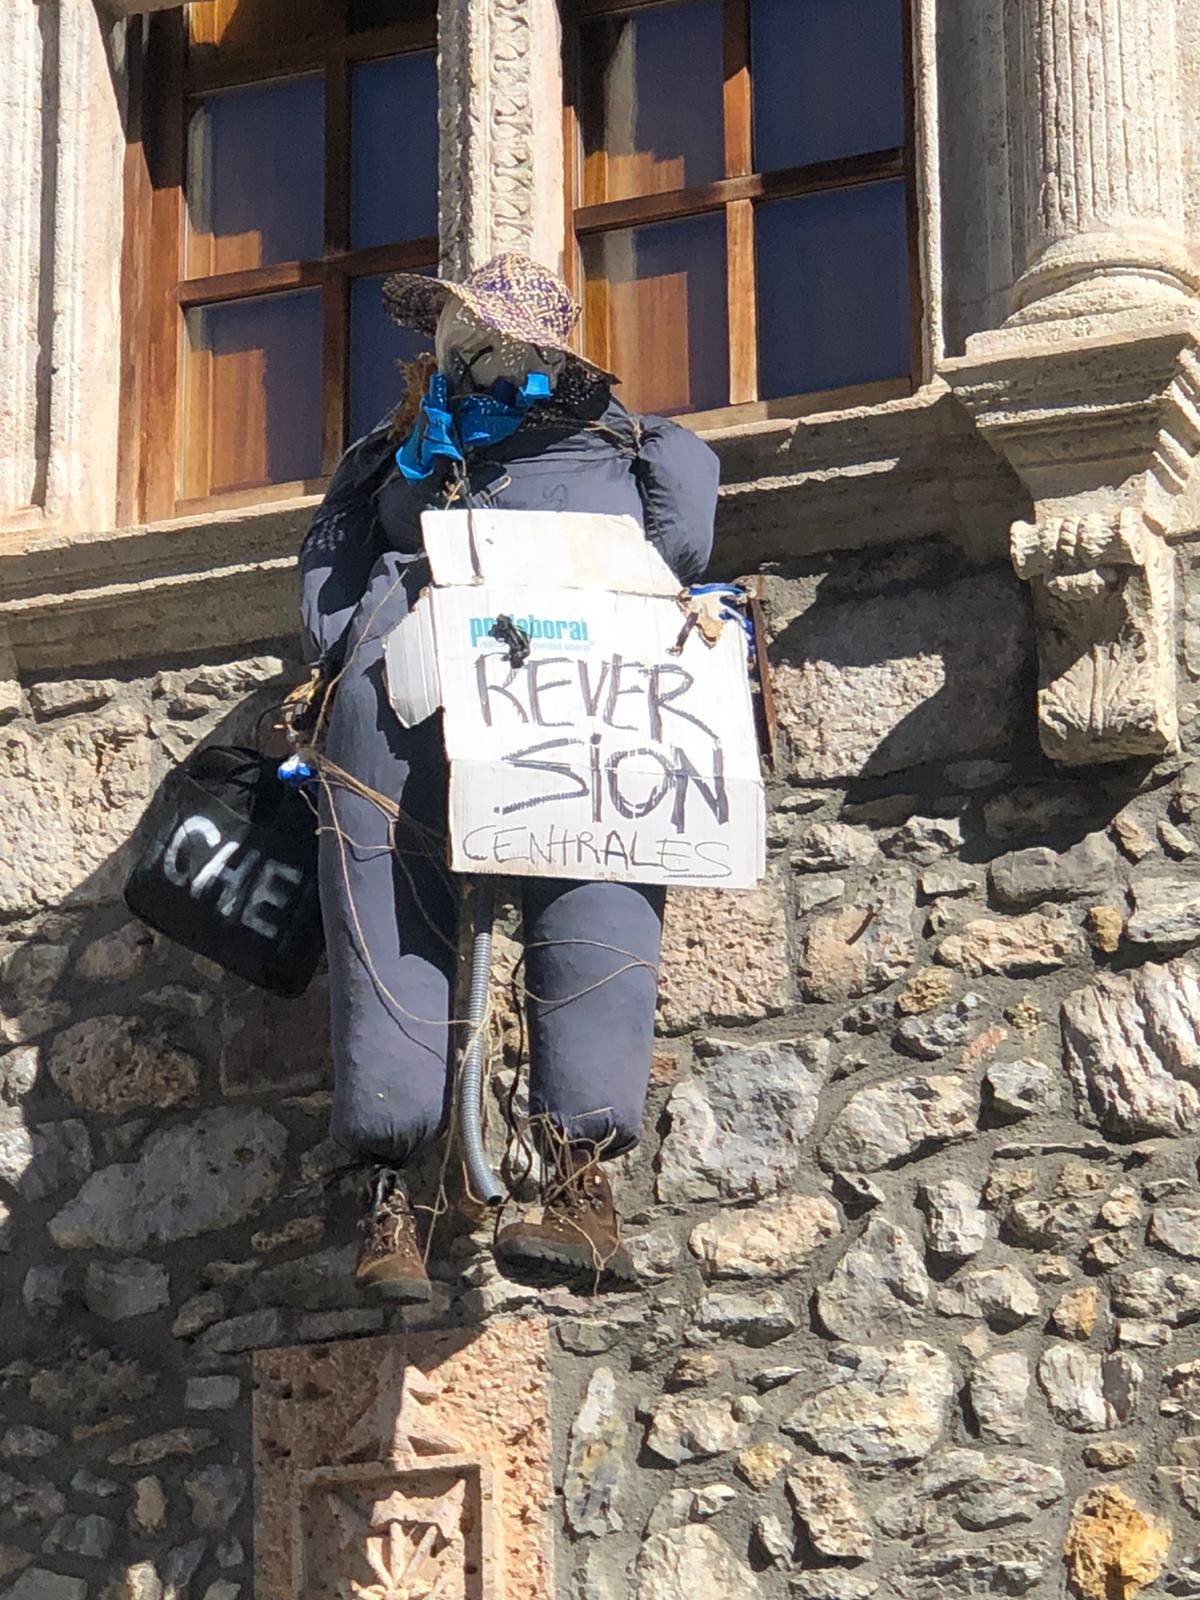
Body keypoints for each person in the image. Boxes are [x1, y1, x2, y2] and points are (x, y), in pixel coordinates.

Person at [299, 252, 719, 1300]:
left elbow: (680, 544)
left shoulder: (632, 444)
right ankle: (394, 1190)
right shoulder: (397, 455)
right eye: (461, 336)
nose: (473, 356)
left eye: (495, 340)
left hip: (576, 696)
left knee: (597, 887)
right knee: (383, 890)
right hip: (414, 687)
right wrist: (381, 633)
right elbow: (326, 590)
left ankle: (579, 1184)